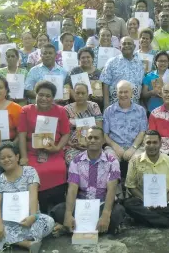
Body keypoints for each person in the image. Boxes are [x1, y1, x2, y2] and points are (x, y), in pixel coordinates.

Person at [0, 142, 54, 253]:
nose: (6, 160)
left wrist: (32, 216)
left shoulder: (30, 171)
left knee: (48, 221)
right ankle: (26, 243)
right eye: (2, 158)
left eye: (9, 156)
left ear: (17, 157)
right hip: (6, 222)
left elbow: (33, 197)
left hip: (29, 220)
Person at [50, 126, 126, 236]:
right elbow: (72, 189)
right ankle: (98, 228)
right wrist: (68, 213)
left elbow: (111, 190)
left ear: (103, 141)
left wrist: (105, 214)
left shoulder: (112, 161)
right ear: (86, 140)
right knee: (58, 210)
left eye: (96, 138)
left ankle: (74, 227)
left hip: (102, 204)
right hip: (81, 206)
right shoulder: (76, 161)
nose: (92, 140)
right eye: (90, 138)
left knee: (117, 213)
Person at [18, 81, 70, 212]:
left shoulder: (61, 111)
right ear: (35, 95)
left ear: (53, 98)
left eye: (48, 96)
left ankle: (57, 206)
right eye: (41, 95)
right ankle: (39, 206)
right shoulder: (25, 110)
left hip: (54, 151)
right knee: (33, 171)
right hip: (32, 151)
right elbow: (22, 135)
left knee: (59, 169)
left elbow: (66, 134)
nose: (44, 98)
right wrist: (24, 157)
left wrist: (57, 148)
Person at [123, 130, 169, 229]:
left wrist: (164, 200)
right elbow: (131, 186)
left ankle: (143, 218)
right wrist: (145, 201)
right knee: (128, 204)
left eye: (155, 142)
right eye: (148, 142)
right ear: (143, 143)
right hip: (142, 200)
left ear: (160, 144)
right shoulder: (134, 162)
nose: (152, 146)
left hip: (166, 202)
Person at [103, 80, 147, 179]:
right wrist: (115, 147)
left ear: (132, 93)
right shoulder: (109, 111)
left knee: (139, 161)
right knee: (109, 161)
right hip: (114, 147)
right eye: (120, 92)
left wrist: (133, 148)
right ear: (116, 93)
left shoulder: (140, 110)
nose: (123, 95)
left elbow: (142, 132)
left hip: (135, 147)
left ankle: (132, 191)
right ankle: (116, 191)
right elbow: (105, 135)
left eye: (126, 92)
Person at [100, 36, 145, 108]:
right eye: (124, 44)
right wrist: (106, 104)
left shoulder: (140, 64)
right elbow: (105, 83)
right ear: (120, 47)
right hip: (115, 106)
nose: (127, 46)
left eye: (129, 44)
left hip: (135, 107)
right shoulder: (111, 62)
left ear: (134, 46)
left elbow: (142, 85)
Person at [64, 83, 103, 164]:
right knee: (73, 161)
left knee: (100, 160)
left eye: (83, 93)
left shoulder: (94, 106)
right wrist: (72, 144)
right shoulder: (67, 109)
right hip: (73, 146)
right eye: (77, 93)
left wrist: (90, 143)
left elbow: (99, 129)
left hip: (93, 143)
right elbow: (63, 132)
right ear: (74, 94)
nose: (80, 95)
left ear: (88, 94)